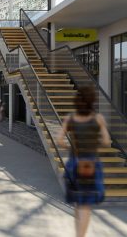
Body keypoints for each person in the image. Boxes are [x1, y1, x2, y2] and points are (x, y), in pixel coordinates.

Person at [57, 85, 111, 237]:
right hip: (92, 164)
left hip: (75, 163)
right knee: (85, 205)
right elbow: (107, 142)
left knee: (78, 203)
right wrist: (95, 143)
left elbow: (59, 140)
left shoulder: (70, 119)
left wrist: (71, 146)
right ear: (92, 101)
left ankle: (78, 234)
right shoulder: (98, 119)